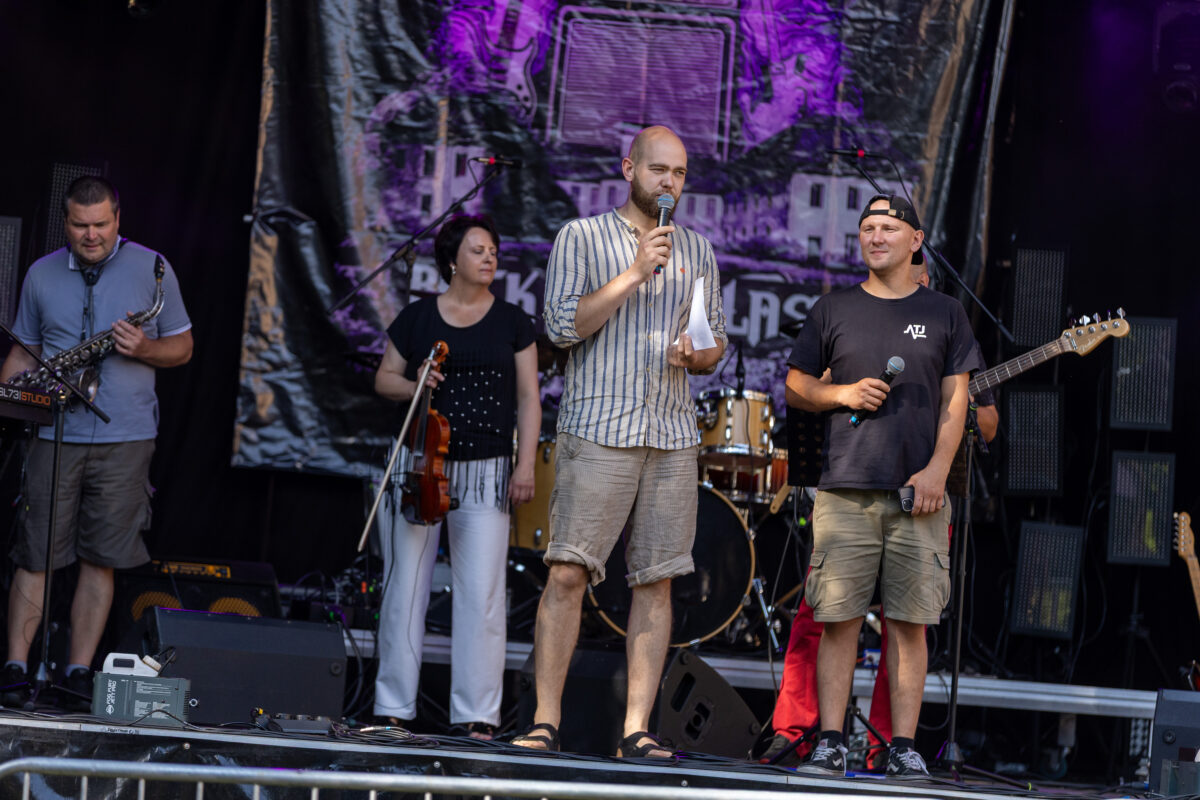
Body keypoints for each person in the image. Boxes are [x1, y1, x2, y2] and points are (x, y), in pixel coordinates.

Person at [513, 126, 726, 757]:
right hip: (600, 428)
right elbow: (561, 327)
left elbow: (714, 341)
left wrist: (698, 354)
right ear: (629, 168)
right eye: (659, 170)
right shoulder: (581, 237)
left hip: (671, 436)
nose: (669, 183)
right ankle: (544, 722)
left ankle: (636, 730)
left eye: (679, 173)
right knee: (568, 573)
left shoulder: (698, 250)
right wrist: (635, 271)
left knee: (656, 581)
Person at [765, 257, 997, 769]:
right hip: (849, 484)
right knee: (828, 616)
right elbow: (802, 385)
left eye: (918, 275)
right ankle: (810, 735)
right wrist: (839, 390)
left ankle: (893, 748)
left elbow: (985, 420)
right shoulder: (846, 312)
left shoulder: (946, 319)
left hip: (921, 494)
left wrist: (945, 430)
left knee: (909, 623)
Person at [0, 176, 193, 710]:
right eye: (81, 225)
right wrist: (6, 395)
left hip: (125, 437)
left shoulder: (153, 268)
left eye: (101, 225)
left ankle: (78, 672)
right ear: (65, 223)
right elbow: (23, 351)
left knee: (100, 557)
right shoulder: (41, 273)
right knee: (34, 554)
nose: (92, 235)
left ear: (118, 218)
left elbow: (183, 347)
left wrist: (145, 348)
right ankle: (14, 668)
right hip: (50, 431)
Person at [372, 213, 540, 738]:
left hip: (486, 470)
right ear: (451, 260)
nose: (490, 258)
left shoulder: (512, 321)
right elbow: (384, 379)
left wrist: (525, 464)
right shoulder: (419, 317)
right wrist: (416, 384)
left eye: (493, 250)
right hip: (421, 465)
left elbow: (529, 398)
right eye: (477, 250)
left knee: (482, 596)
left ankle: (476, 716)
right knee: (404, 588)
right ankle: (392, 708)